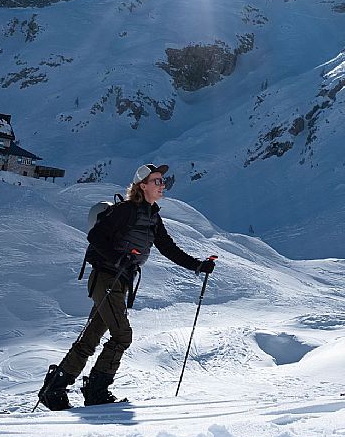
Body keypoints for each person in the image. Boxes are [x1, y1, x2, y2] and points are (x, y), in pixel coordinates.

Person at [38, 163, 217, 409]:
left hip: (119, 280)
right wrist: (116, 258)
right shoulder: (126, 210)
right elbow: (96, 236)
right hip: (107, 278)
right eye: (157, 181)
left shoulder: (152, 216)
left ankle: (55, 389)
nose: (162, 185)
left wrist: (198, 265)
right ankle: (96, 390)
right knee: (122, 335)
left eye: (162, 181)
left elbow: (168, 248)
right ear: (142, 186)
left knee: (90, 337)